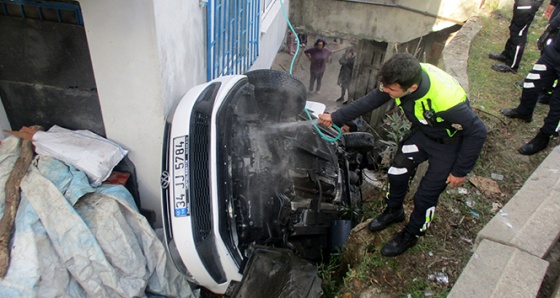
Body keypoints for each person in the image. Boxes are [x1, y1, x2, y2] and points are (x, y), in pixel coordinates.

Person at [318, 53, 487, 257]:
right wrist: (336, 117)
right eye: (385, 86)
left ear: (412, 88)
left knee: (425, 196)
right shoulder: (403, 78)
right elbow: (372, 99)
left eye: (391, 90)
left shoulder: (447, 102)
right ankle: (394, 211)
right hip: (424, 134)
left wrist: (460, 170)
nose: (386, 91)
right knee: (397, 171)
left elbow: (478, 131)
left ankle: (412, 234)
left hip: (448, 145)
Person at [500, 14, 560, 155]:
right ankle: (524, 111)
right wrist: (550, 29)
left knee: (557, 105)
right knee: (530, 83)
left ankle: (544, 137)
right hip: (554, 53)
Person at [489, 0, 544, 73]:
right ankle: (506, 55)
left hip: (528, 4)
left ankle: (512, 65)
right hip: (522, 3)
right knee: (514, 29)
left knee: (519, 33)